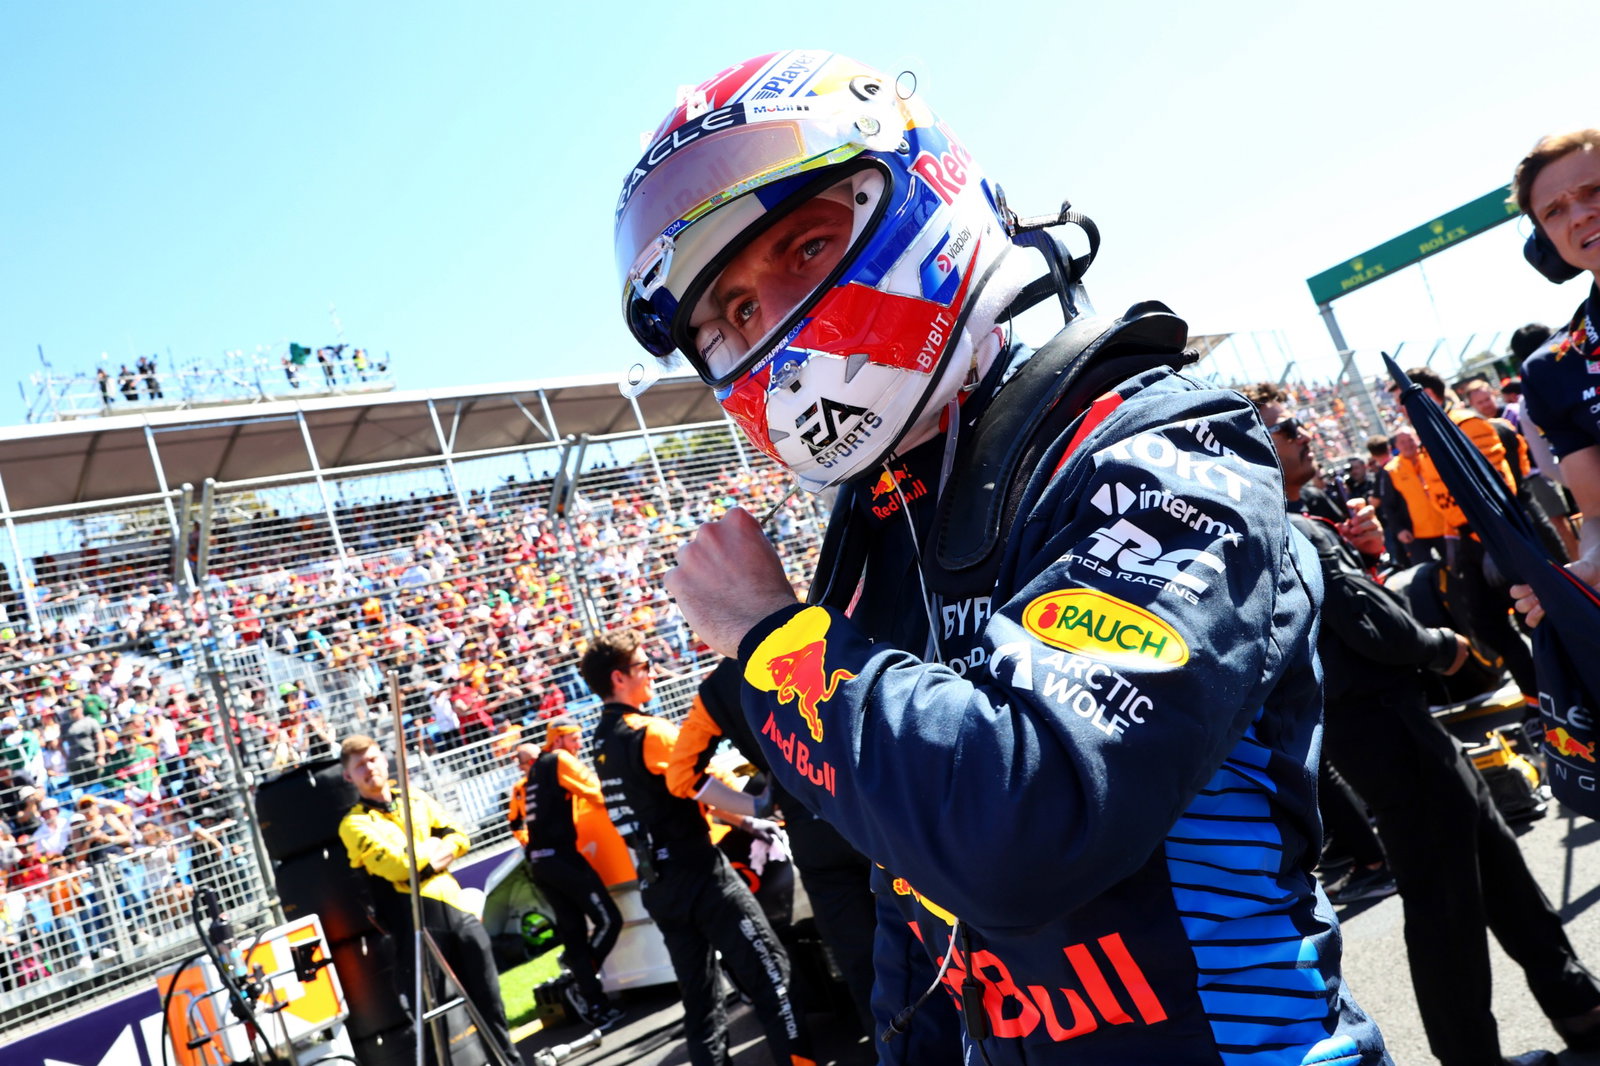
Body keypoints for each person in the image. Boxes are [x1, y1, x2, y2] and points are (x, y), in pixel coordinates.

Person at [619, 50, 1385, 1063]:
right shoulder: (881, 537)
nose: (775, 325)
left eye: (804, 247)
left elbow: (1022, 824)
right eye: (738, 315)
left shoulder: (1156, 440)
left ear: (917, 193)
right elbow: (917, 905)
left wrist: (772, 640)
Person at [1250, 381, 1600, 1066]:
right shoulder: (1287, 530)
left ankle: (1578, 1004)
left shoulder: (1287, 524)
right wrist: (1448, 646)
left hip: (1384, 723)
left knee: (1495, 858)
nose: (1305, 432)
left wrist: (1367, 556)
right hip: (1383, 728)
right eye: (1288, 426)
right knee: (1443, 903)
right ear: (1259, 444)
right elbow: (1372, 627)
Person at [582, 631, 814, 1066]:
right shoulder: (647, 732)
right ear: (618, 678)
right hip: (701, 875)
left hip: (656, 883)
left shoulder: (598, 742)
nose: (652, 673)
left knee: (701, 1000)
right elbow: (697, 783)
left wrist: (745, 818)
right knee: (773, 976)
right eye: (643, 666)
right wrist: (758, 808)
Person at [665, 657, 877, 1032]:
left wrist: (758, 806)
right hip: (875, 814)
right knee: (929, 939)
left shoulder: (717, 687)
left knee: (862, 961)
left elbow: (681, 776)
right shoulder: (822, 632)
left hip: (813, 830)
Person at [336, 734, 515, 1064]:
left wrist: (426, 856)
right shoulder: (355, 823)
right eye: (359, 765)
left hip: (456, 908)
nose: (369, 768)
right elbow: (397, 868)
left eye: (373, 759)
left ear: (384, 760)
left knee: (490, 1001)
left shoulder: (414, 798)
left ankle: (510, 1061)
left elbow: (458, 836)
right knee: (435, 1020)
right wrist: (431, 854)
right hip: (416, 927)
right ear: (348, 776)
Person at [1396, 366, 1539, 700]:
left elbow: (1498, 485)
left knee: (1534, 614)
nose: (1400, 411)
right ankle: (1536, 697)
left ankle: (1569, 685)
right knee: (1485, 624)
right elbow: (1444, 497)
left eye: (1402, 402)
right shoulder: (1427, 436)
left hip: (1496, 538)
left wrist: (1494, 539)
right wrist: (1452, 544)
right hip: (1465, 543)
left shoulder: (1467, 424)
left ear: (1426, 395)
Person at [1508, 130, 1600, 627]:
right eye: (1555, 211)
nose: (1581, 214)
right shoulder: (1553, 368)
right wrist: (1588, 567)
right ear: (1544, 244)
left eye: (1594, 191)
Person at [505, 722, 624, 1030]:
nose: (579, 745)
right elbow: (598, 794)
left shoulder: (532, 775)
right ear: (557, 739)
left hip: (542, 865)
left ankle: (596, 1004)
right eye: (574, 738)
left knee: (573, 934)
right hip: (561, 860)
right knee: (609, 920)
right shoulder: (557, 760)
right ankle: (579, 970)